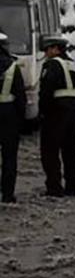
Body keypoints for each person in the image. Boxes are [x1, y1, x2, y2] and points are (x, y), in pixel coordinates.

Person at [38, 36, 75, 197]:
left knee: (50, 151)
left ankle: (54, 187)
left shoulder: (52, 65)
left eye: (47, 50)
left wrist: (43, 112)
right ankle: (73, 187)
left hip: (55, 112)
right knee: (71, 151)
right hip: (73, 112)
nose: (46, 54)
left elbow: (46, 91)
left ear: (55, 49)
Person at [0, 33, 25, 203]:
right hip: (8, 114)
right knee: (9, 156)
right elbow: (20, 97)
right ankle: (8, 194)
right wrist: (20, 121)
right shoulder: (12, 67)